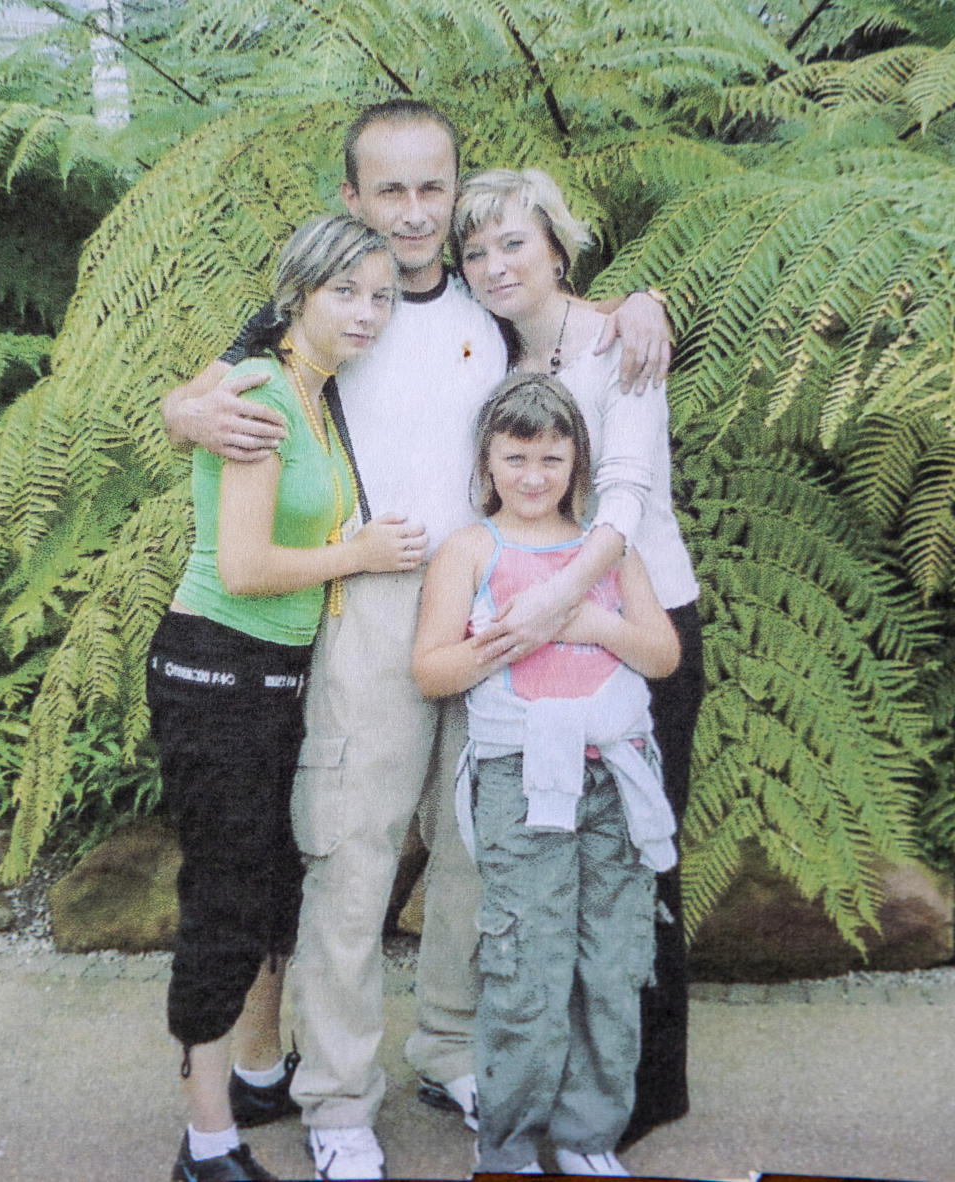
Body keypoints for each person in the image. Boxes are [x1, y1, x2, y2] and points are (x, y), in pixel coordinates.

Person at [160, 99, 673, 1181]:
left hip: (495, 596)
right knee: (350, 858)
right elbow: (217, 388)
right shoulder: (340, 306)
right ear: (351, 199)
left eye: (431, 187)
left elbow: (570, 313)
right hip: (372, 605)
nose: (413, 210)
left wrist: (641, 303)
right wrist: (182, 408)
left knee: (477, 851)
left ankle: (448, 1046)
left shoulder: (487, 311)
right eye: (387, 189)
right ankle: (338, 1096)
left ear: (455, 188)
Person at [146, 215, 423, 1182]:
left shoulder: (317, 393)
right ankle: (206, 1139)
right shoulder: (261, 391)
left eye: (382, 296)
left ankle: (259, 1072)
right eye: (345, 292)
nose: (367, 312)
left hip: (274, 680)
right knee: (222, 899)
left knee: (271, 886)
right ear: (297, 294)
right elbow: (246, 563)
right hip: (214, 671)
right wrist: (363, 552)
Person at [452, 167, 704, 1147]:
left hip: (634, 623)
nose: (494, 264)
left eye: (514, 243)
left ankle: (642, 1093)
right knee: (553, 869)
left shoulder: (619, 341)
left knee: (640, 857)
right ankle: (555, 1087)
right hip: (529, 638)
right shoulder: (489, 360)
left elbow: (628, 493)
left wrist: (564, 596)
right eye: (477, 252)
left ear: (557, 247)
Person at [412, 374, 681, 1176]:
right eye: (516, 457)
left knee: (611, 957)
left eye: (552, 459)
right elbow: (431, 669)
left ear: (579, 462)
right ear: (487, 461)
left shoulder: (607, 546)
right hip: (522, 778)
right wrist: (509, 641)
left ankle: (588, 1133)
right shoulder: (470, 550)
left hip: (617, 778)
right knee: (527, 957)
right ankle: (509, 1142)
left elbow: (662, 654)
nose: (534, 477)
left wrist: (588, 619)